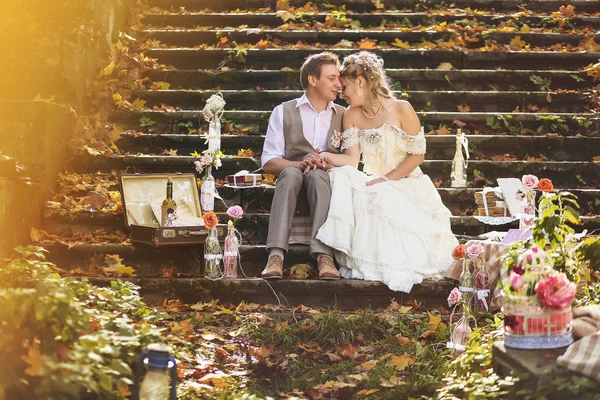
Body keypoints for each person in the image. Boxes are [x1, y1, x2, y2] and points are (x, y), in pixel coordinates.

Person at [315, 51, 459, 293]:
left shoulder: (402, 109)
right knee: (342, 176)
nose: (342, 94)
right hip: (375, 182)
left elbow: (417, 155)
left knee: (383, 194)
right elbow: (351, 160)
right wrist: (328, 158)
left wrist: (387, 180)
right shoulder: (351, 115)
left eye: (346, 87)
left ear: (361, 82)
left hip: (407, 180)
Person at [260, 52, 346, 280]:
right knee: (289, 173)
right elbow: (269, 162)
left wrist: (325, 163)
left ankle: (324, 256)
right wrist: (300, 163)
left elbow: (353, 158)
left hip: (326, 179)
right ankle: (276, 255)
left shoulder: (345, 115)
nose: (339, 84)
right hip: (292, 177)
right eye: (332, 78)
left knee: (318, 176)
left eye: (339, 78)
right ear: (312, 79)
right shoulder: (283, 112)